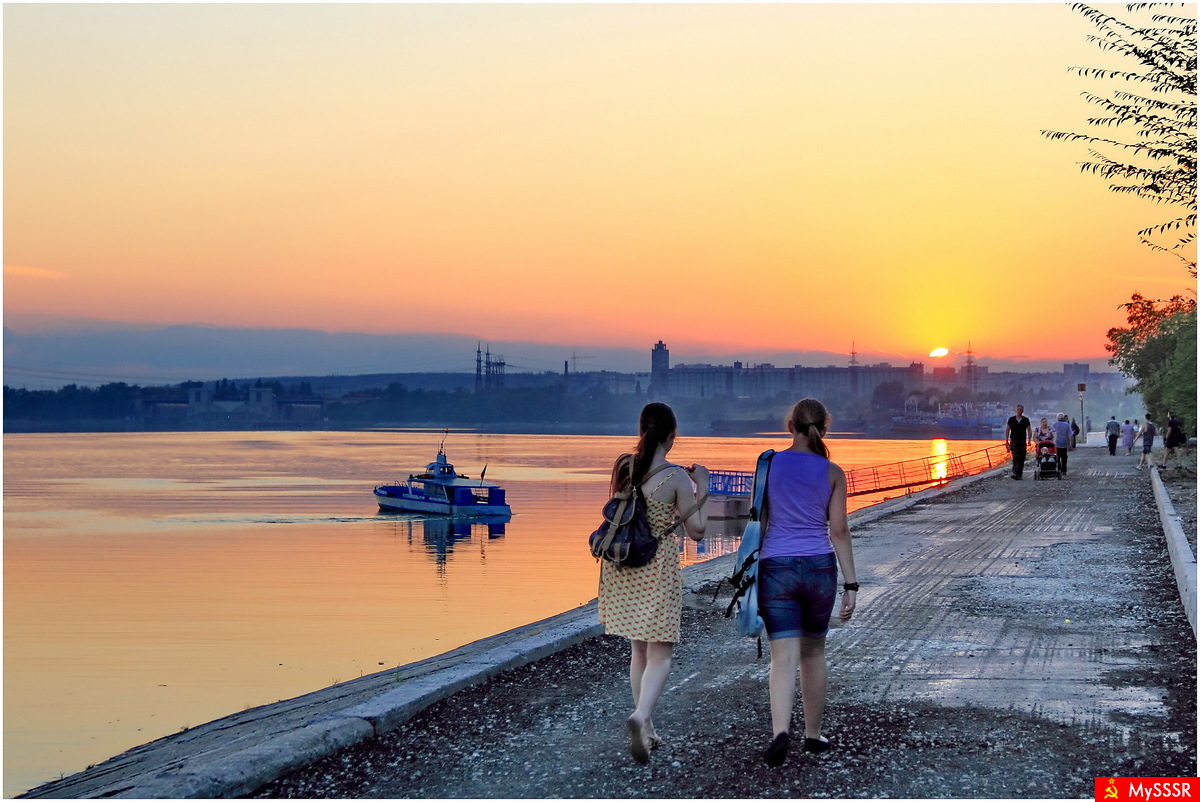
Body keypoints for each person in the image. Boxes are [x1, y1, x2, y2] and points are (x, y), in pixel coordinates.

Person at [597, 402, 709, 764]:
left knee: (639, 650)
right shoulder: (676, 477)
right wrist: (702, 486)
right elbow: (697, 531)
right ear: (672, 436)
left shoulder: (624, 466)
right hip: (656, 566)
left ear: (641, 430)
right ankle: (641, 715)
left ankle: (646, 730)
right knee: (661, 653)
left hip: (622, 565)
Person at [756, 397, 857, 768]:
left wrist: (751, 572)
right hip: (818, 568)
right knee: (813, 653)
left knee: (782, 657)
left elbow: (759, 521)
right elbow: (839, 531)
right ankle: (813, 735)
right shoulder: (833, 472)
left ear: (790, 426)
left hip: (776, 566)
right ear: (824, 430)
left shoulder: (768, 465)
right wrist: (851, 585)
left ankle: (780, 731)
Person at [1004, 405, 1033, 479]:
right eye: (1018, 410)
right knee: (1015, 457)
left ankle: (1019, 474)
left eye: (1020, 410)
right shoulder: (1011, 419)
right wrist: (1006, 441)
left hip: (1022, 440)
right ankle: (1015, 472)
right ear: (1016, 410)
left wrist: (1029, 440)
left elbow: (1029, 430)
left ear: (1023, 411)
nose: (1019, 411)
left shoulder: (1025, 420)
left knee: (1022, 457)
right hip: (1014, 440)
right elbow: (1007, 430)